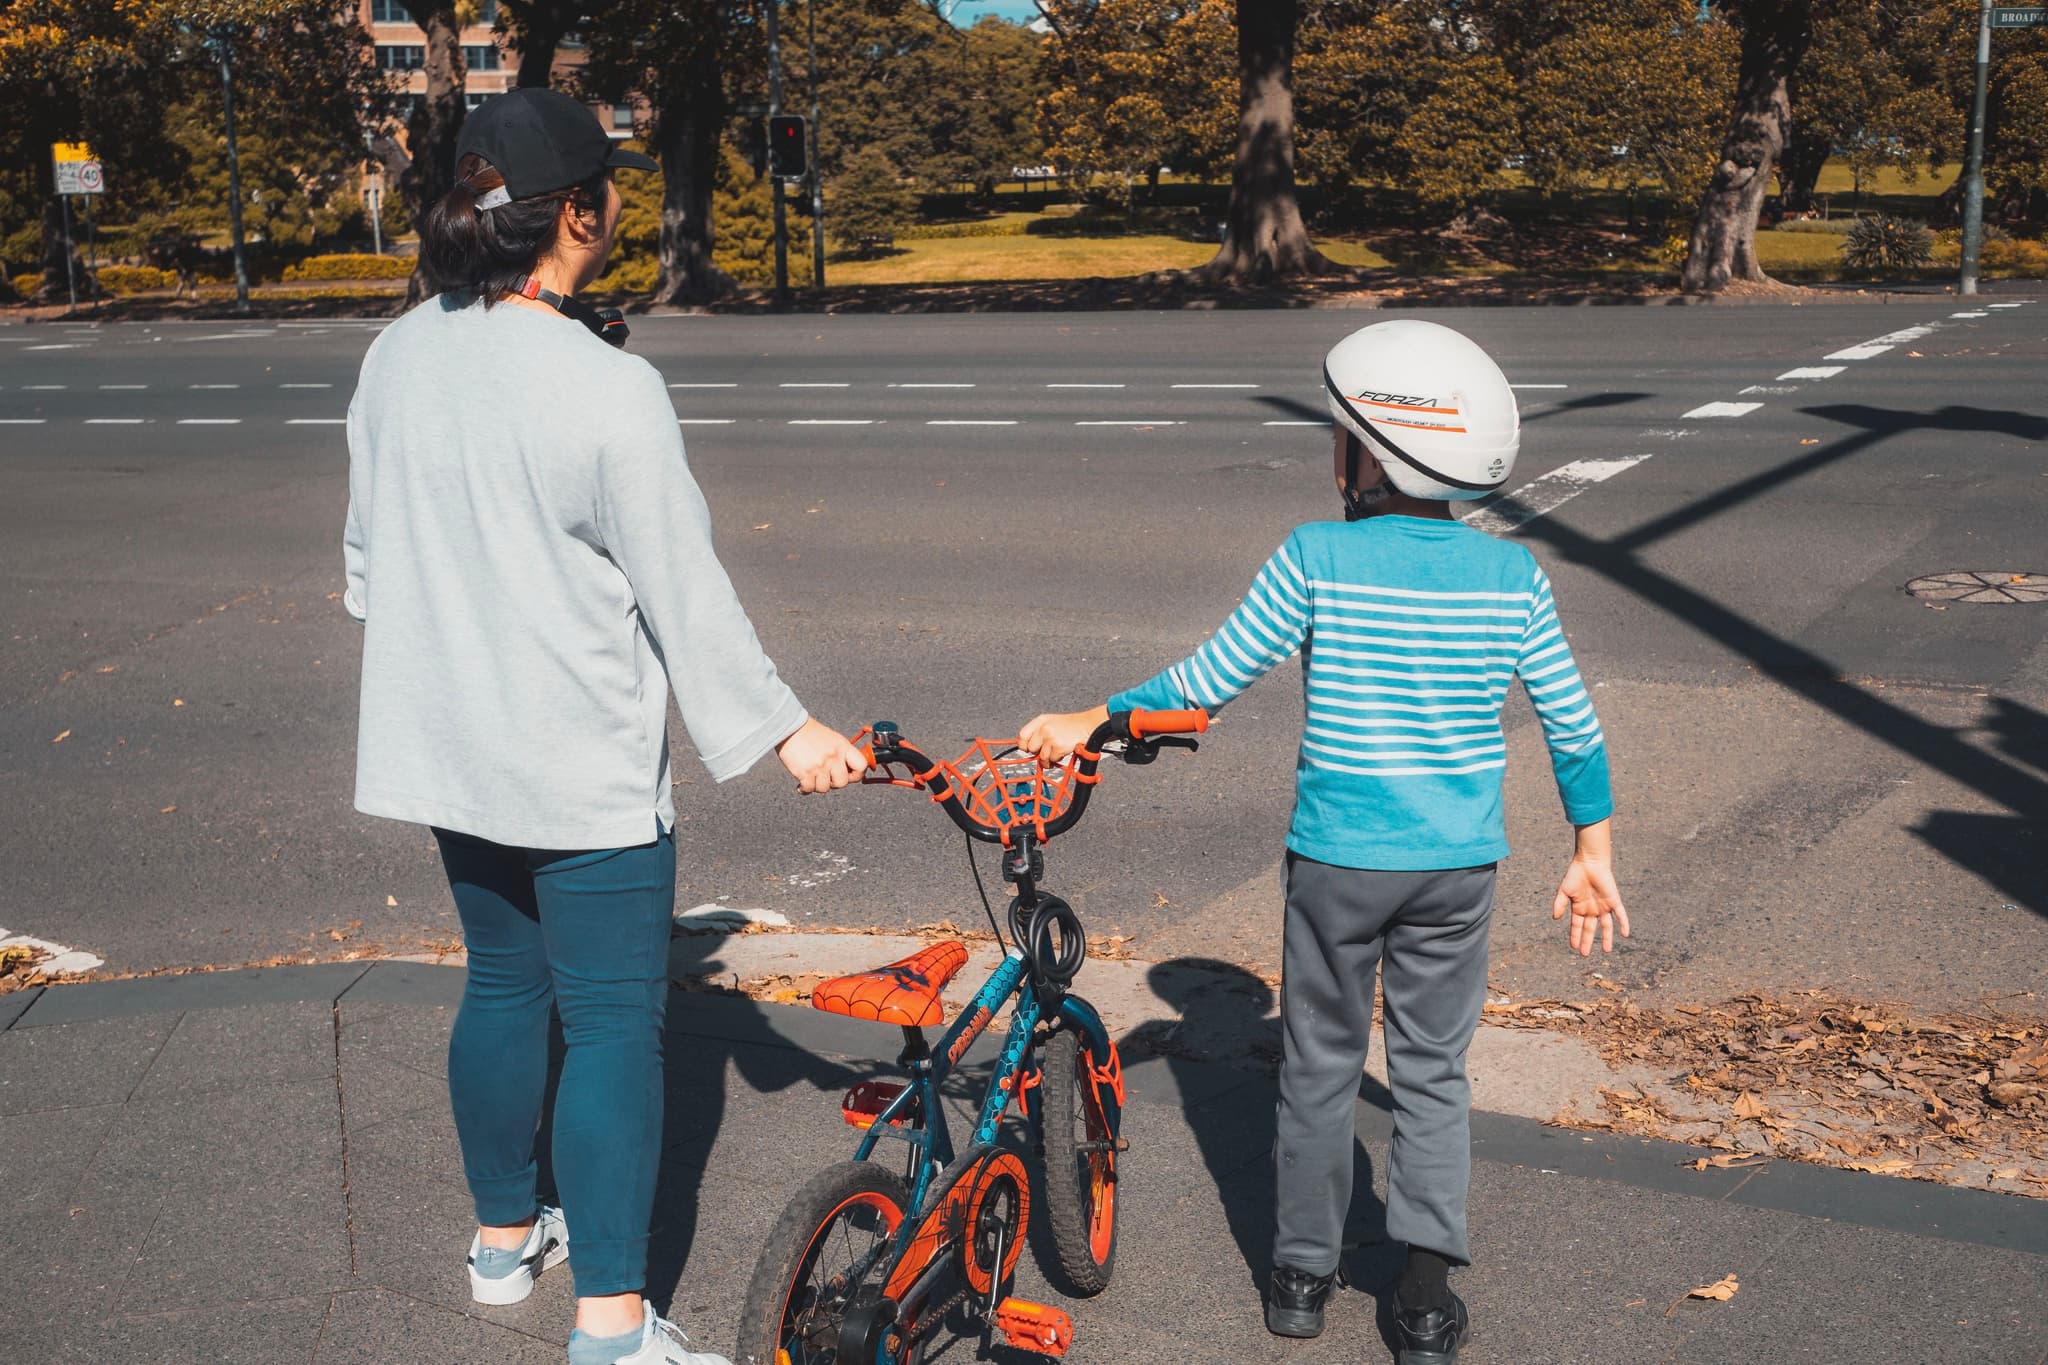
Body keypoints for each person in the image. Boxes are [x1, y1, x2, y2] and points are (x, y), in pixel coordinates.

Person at [341, 88, 866, 1365]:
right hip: (573, 759)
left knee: (505, 986)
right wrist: (787, 729)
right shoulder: (604, 385)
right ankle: (616, 1326)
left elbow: (368, 569)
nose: (618, 200)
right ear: (576, 212)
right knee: (619, 1026)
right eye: (608, 184)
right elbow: (683, 592)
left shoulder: (398, 350)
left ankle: (500, 1244)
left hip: (445, 742)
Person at [1018, 320, 1628, 1365]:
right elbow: (1573, 725)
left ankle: (1298, 1280)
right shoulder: (1511, 577)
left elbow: (1201, 686)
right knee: (1433, 1072)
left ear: (1372, 453)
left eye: (1341, 433)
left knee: (1317, 1067)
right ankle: (1425, 1302)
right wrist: (1591, 852)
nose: (1330, 450)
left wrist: (1095, 717)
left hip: (1339, 862)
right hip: (1456, 867)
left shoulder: (1316, 557)